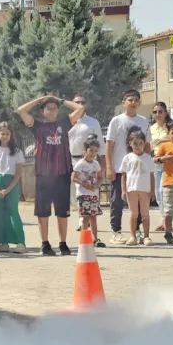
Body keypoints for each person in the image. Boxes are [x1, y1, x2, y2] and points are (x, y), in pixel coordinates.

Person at [16, 95, 85, 256]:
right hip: (43, 175)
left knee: (62, 211)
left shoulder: (65, 123)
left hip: (62, 173)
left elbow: (80, 109)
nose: (52, 111)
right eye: (48, 108)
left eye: (55, 108)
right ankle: (45, 244)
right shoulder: (37, 126)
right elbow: (21, 111)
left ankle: (63, 243)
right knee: (43, 211)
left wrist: (59, 100)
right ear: (42, 111)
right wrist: (40, 98)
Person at [105, 90, 151, 244]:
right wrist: (109, 167)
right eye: (130, 99)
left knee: (138, 204)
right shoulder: (117, 121)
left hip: (139, 172)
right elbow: (109, 145)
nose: (133, 102)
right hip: (120, 169)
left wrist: (148, 164)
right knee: (117, 201)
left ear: (139, 103)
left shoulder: (144, 121)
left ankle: (137, 231)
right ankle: (116, 231)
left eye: (136, 100)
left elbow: (148, 145)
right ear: (123, 102)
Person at [0, 121, 26, 253]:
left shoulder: (16, 152)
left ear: (11, 135)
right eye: (2, 133)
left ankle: (21, 243)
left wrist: (8, 189)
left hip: (11, 184)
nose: (4, 136)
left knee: (13, 212)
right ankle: (1, 242)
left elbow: (18, 173)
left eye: (7, 134)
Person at [68, 95, 106, 211]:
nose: (79, 104)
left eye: (82, 102)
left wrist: (103, 165)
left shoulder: (92, 122)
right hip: (70, 160)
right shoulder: (66, 122)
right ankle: (82, 218)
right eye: (76, 102)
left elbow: (101, 144)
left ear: (86, 105)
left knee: (87, 190)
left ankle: (84, 221)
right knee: (75, 193)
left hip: (89, 162)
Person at [119, 128, 156, 246]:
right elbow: (123, 176)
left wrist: (152, 191)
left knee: (145, 213)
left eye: (140, 143)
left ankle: (146, 237)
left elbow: (151, 175)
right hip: (131, 190)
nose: (138, 146)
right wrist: (124, 190)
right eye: (135, 143)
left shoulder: (148, 158)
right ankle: (132, 236)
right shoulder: (127, 158)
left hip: (145, 190)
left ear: (144, 143)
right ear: (130, 143)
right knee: (133, 214)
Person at [71, 136, 105, 247]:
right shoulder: (80, 164)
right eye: (91, 150)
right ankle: (85, 239)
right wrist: (84, 184)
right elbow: (74, 178)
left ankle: (95, 238)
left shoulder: (96, 164)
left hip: (93, 194)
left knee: (93, 217)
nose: (93, 153)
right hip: (83, 194)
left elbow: (100, 177)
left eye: (95, 151)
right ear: (85, 150)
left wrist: (96, 185)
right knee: (85, 218)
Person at [150, 102, 171, 231]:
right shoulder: (151, 129)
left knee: (165, 193)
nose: (158, 114)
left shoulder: (169, 127)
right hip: (155, 163)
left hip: (168, 164)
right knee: (158, 194)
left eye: (160, 111)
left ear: (165, 113)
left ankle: (168, 222)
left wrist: (162, 140)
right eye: (155, 112)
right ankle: (163, 220)